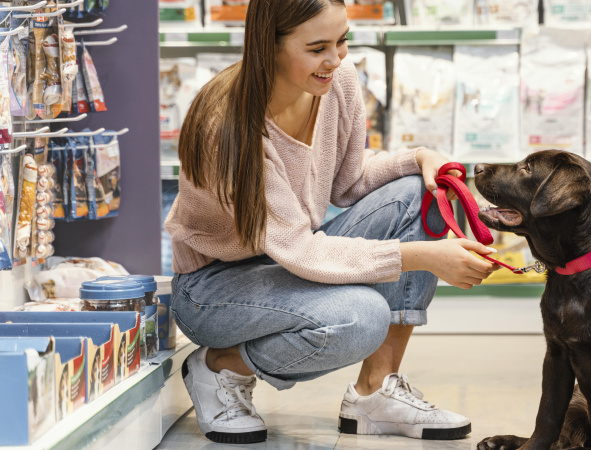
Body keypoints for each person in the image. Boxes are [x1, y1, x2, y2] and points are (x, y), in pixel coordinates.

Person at [164, 0, 500, 444]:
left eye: (342, 41)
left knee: (424, 194)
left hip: (287, 257)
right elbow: (301, 250)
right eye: (317, 47)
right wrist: (422, 257)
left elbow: (348, 182)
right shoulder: (226, 128)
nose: (336, 58)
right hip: (214, 290)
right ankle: (221, 367)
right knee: (360, 319)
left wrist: (419, 159)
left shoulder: (335, 80)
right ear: (269, 46)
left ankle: (374, 393)